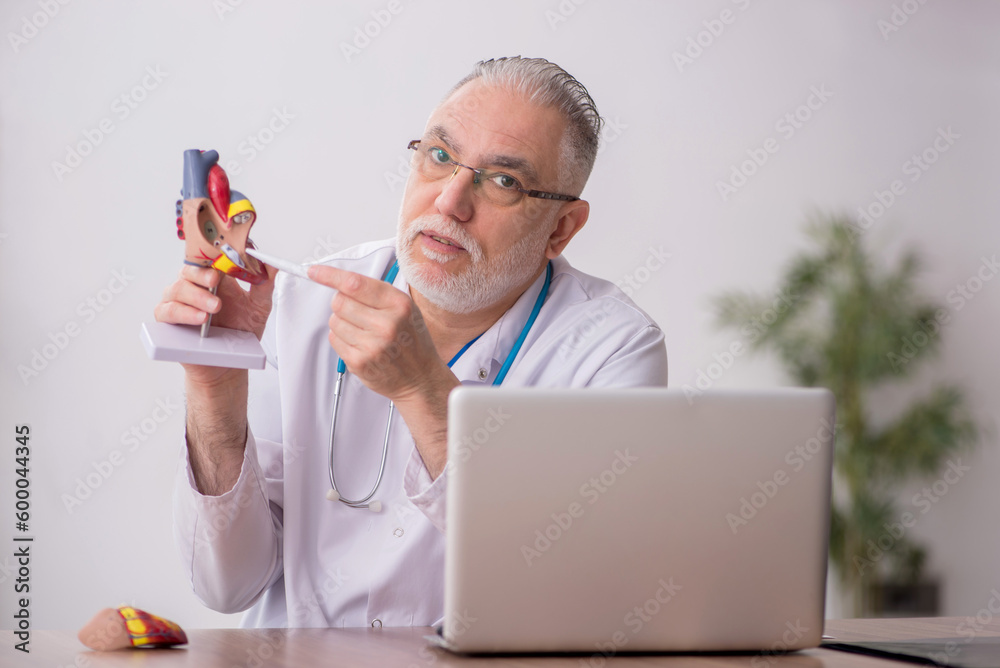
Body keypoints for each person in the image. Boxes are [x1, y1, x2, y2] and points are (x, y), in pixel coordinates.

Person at [155, 56, 669, 628]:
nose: (449, 202)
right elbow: (228, 585)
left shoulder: (613, 351)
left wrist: (422, 389)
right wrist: (216, 385)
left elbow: (579, 593)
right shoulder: (298, 302)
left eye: (504, 182)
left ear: (562, 228)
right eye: (440, 156)